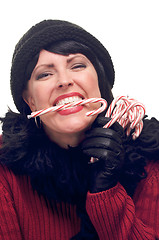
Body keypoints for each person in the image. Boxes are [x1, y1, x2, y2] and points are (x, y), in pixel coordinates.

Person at [0, 19, 159, 240]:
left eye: (77, 65)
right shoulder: (4, 166)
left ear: (100, 82)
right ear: (30, 101)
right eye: (45, 74)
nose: (64, 81)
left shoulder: (148, 158)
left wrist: (107, 192)